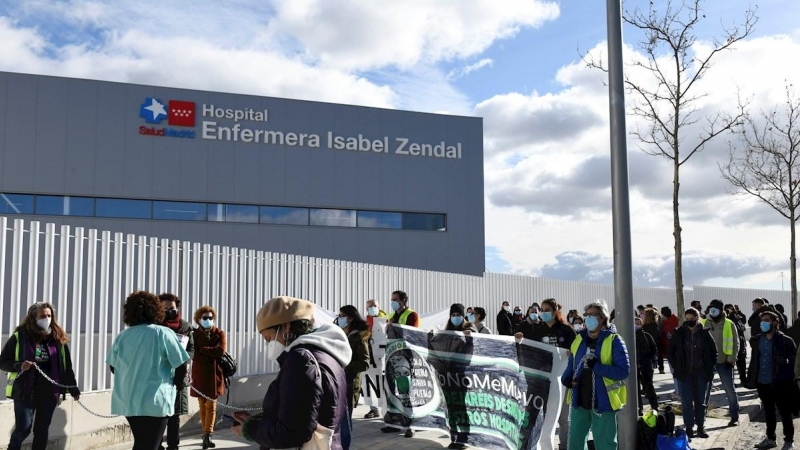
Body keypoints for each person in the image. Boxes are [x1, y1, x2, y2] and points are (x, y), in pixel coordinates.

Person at [232, 296, 351, 450]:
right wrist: (258, 420)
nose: (268, 344)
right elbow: (305, 410)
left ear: (286, 327)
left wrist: (250, 429)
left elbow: (290, 433)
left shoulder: (300, 359)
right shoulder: (326, 353)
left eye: (268, 338)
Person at [107, 291, 190, 450]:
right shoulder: (163, 333)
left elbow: (113, 367)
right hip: (156, 400)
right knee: (149, 445)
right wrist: (178, 384)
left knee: (143, 442)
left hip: (129, 401)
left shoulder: (123, 336)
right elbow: (181, 364)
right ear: (155, 310)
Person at [0, 302, 81, 450]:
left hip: (49, 392)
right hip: (25, 391)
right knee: (23, 429)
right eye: (43, 316)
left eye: (49, 315)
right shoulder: (20, 337)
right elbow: (3, 362)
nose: (47, 318)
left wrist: (73, 388)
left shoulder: (58, 339)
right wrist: (19, 366)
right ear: (33, 318)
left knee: (42, 430)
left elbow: (66, 367)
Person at [562, 299, 630, 450]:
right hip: (580, 399)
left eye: (593, 315)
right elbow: (572, 362)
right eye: (587, 314)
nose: (588, 318)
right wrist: (566, 378)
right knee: (575, 442)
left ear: (603, 318)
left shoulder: (615, 340)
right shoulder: (579, 338)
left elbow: (623, 371)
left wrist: (597, 367)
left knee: (605, 444)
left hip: (604, 402)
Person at [523, 298, 575, 450]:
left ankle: (565, 446)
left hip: (563, 380)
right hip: (543, 380)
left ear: (555, 311)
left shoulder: (566, 330)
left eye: (547, 310)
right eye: (542, 310)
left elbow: (575, 352)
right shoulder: (538, 329)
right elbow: (531, 349)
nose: (543, 313)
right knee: (544, 415)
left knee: (563, 418)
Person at [667, 307, 717, 440]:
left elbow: (713, 352)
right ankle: (689, 428)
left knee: (700, 402)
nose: (689, 321)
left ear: (697, 318)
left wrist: (710, 368)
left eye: (692, 318)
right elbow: (670, 351)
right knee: (686, 402)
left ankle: (700, 427)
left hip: (701, 374)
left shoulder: (705, 334)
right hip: (684, 375)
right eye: (687, 319)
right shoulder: (679, 333)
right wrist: (677, 366)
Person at [750, 310, 797, 450]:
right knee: (768, 412)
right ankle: (771, 439)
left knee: (784, 412)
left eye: (767, 320)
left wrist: (788, 378)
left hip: (780, 382)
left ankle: (789, 441)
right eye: (762, 321)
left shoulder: (786, 341)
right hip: (762, 382)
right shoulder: (757, 340)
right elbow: (754, 362)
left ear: (775, 322)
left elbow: (794, 363)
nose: (763, 323)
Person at [158, 293, 195, 450]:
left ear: (177, 307)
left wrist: (184, 358)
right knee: (159, 414)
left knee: (175, 415)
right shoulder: (155, 326)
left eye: (171, 308)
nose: (168, 311)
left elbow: (192, 348)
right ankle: (157, 444)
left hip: (179, 375)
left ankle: (173, 445)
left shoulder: (185, 327)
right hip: (160, 375)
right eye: (164, 308)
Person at [382, 290, 420, 437]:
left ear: (404, 301)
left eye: (396, 299)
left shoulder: (412, 315)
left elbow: (412, 333)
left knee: (406, 390)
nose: (393, 302)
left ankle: (412, 424)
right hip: (391, 356)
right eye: (392, 299)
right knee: (392, 390)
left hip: (405, 357)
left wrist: (394, 325)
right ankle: (394, 422)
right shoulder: (391, 316)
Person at [191, 306, 227, 449]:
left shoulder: (219, 333)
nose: (208, 320)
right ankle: (205, 434)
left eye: (210, 318)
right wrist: (209, 353)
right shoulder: (194, 334)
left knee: (211, 406)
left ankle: (208, 434)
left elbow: (221, 351)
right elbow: (195, 354)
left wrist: (204, 350)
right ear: (199, 319)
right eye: (205, 318)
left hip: (214, 374)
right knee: (202, 405)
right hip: (199, 374)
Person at [701, 299, 740, 427]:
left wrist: (732, 358)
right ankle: (701, 418)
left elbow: (735, 343)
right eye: (711, 308)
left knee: (729, 389)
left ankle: (734, 416)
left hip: (725, 362)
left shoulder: (729, 324)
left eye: (716, 308)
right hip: (707, 363)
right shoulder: (703, 322)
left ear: (722, 310)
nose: (713, 311)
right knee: (704, 391)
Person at [338, 305, 370, 450]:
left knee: (345, 421)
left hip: (350, 383)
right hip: (336, 382)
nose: (340, 318)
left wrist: (344, 366)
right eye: (339, 315)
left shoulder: (359, 336)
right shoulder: (338, 333)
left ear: (350, 318)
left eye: (342, 315)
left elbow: (364, 363)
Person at [364, 299, 387, 419]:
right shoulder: (363, 321)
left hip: (381, 356)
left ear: (379, 306)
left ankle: (386, 409)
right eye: (369, 307)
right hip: (368, 356)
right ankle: (373, 408)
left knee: (383, 382)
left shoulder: (386, 321)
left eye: (374, 306)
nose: (372, 308)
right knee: (368, 382)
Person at [635, 317, 658, 415]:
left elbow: (654, 349)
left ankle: (655, 407)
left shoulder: (646, 336)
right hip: (635, 367)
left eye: (638, 323)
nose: (636, 325)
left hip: (645, 366)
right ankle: (639, 409)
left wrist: (652, 361)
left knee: (648, 388)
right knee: (636, 390)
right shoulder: (629, 337)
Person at [726, 303, 749, 385]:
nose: (732, 310)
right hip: (731, 346)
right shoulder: (726, 321)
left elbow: (743, 323)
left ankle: (743, 379)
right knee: (730, 365)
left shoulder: (737, 318)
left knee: (742, 364)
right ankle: (730, 381)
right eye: (730, 309)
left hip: (741, 344)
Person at [660, 306, 680, 398]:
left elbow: (666, 339)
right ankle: (678, 389)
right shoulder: (676, 320)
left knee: (675, 373)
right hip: (677, 351)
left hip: (671, 352)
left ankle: (678, 391)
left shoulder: (667, 325)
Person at [642, 308, 663, 374]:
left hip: (646, 344)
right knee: (659, 355)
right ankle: (661, 368)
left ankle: (651, 367)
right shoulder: (656, 325)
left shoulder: (644, 326)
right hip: (657, 342)